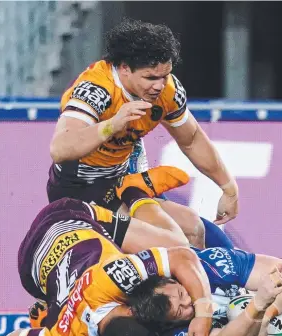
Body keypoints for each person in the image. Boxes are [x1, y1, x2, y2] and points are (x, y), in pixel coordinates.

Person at [47, 18, 239, 249]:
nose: (159, 86)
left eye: (165, 76)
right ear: (125, 68)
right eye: (151, 78)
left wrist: (228, 187)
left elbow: (192, 140)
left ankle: (203, 284)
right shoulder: (96, 90)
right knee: (172, 241)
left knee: (192, 228)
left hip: (123, 179)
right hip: (80, 187)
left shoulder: (168, 91)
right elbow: (60, 149)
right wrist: (111, 125)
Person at [2, 198, 214, 336]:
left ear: (131, 312)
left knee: (179, 243)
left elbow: (182, 256)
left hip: (69, 215)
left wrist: (204, 312)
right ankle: (49, 311)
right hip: (28, 269)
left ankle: (135, 194)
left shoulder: (112, 278)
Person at [128, 246, 282, 336]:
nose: (188, 302)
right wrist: (258, 305)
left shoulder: (212, 264)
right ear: (169, 324)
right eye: (180, 311)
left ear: (174, 279)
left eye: (181, 293)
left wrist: (265, 316)